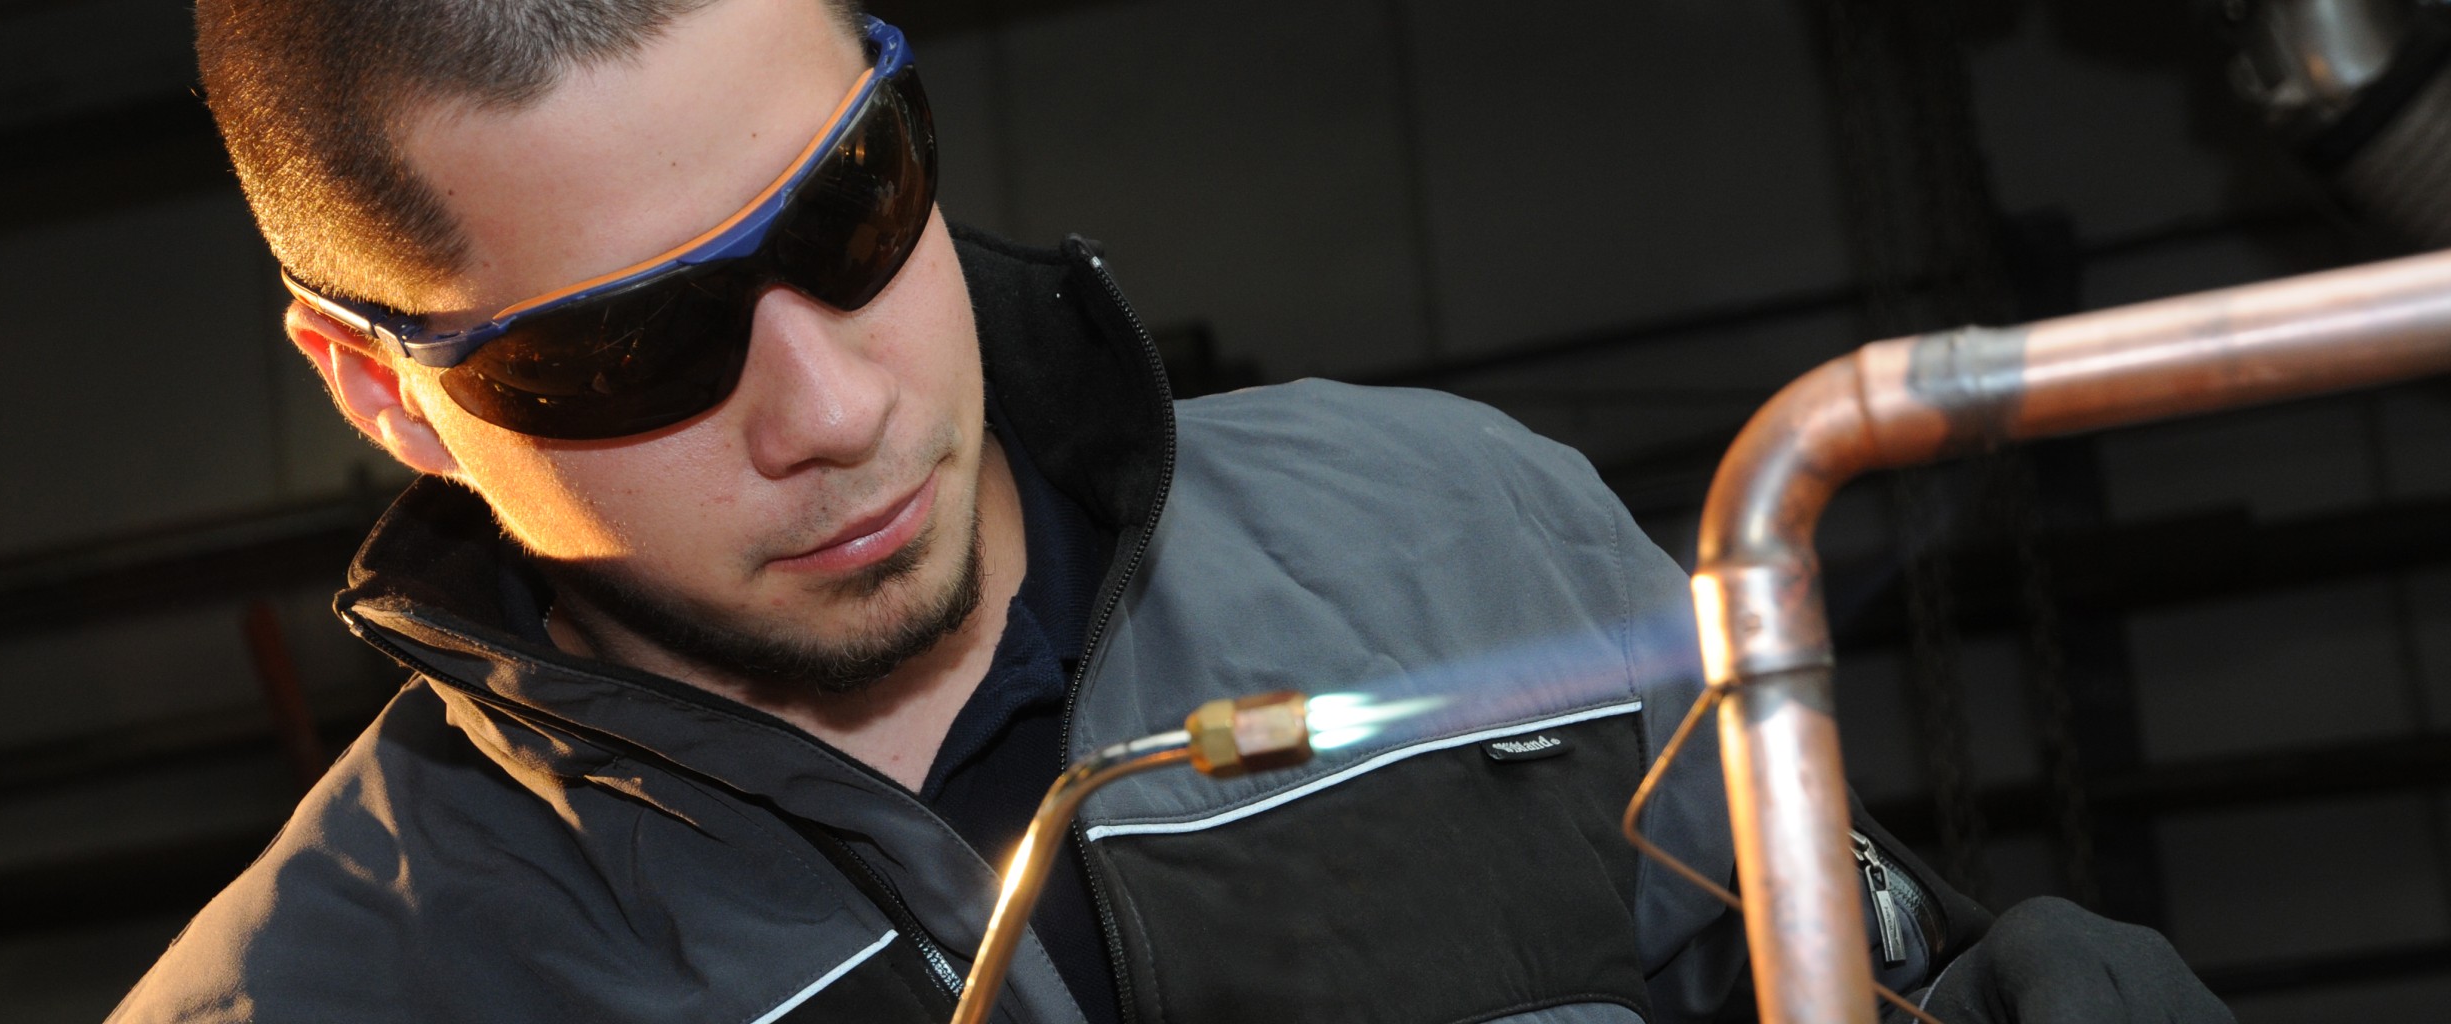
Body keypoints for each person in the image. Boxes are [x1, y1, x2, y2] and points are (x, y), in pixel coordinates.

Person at [113, 1, 2231, 1022]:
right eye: (627, 352)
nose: (834, 408)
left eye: (853, 205)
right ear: (380, 387)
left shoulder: (1461, 535)